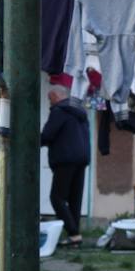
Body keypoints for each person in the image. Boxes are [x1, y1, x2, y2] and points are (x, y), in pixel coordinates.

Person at [40, 85, 90, 248]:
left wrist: (30, 142)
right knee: (74, 200)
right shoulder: (79, 112)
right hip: (81, 159)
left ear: (56, 96)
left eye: (50, 98)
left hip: (65, 159)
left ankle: (73, 232)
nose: (49, 102)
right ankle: (75, 237)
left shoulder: (59, 111)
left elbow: (47, 134)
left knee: (57, 198)